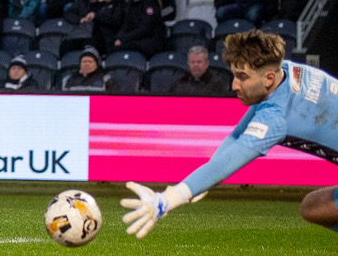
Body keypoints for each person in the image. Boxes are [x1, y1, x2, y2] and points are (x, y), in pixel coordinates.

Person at [121, 31, 338, 238]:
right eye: (234, 75)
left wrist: (166, 200)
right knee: (315, 206)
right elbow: (237, 136)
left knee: (318, 208)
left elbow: (226, 165)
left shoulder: (276, 117)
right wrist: (201, 183)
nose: (234, 85)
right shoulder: (287, 71)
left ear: (269, 78)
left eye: (242, 77)